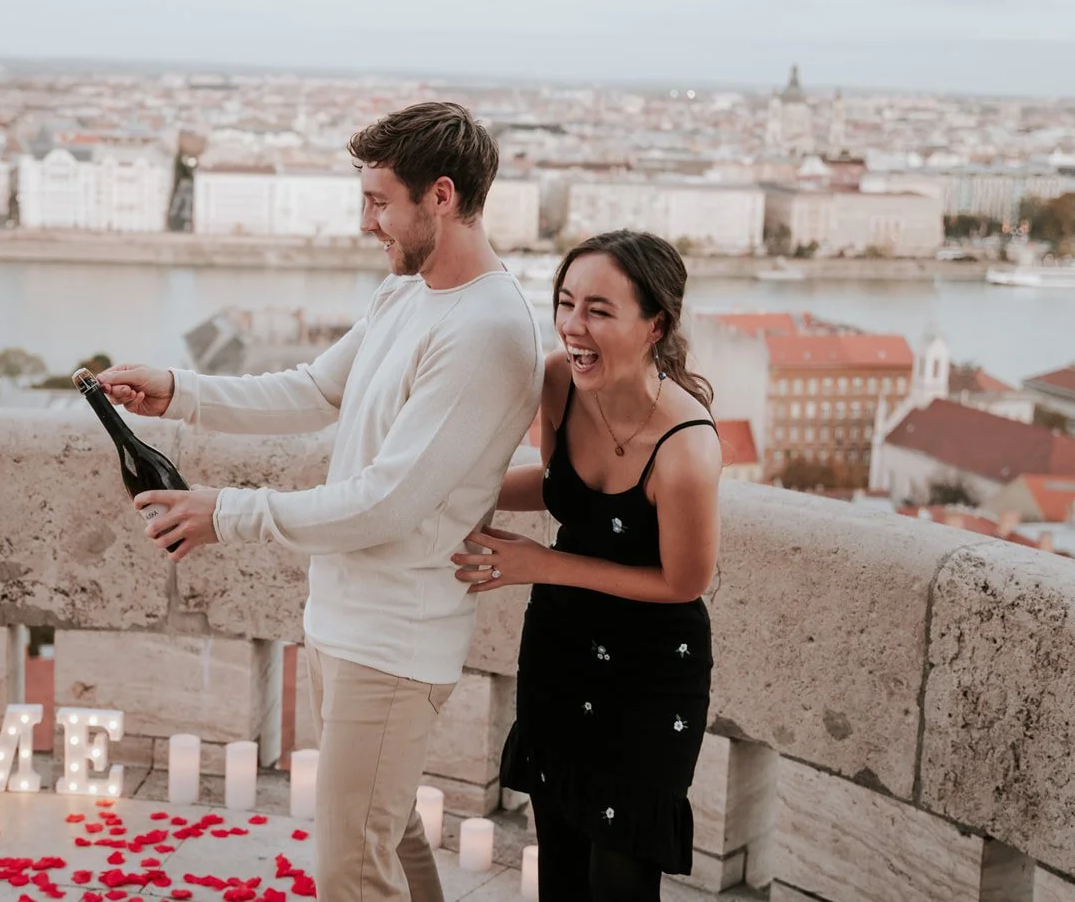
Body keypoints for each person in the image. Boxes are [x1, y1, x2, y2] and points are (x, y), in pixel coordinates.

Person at [96, 101, 545, 902]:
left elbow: (385, 503)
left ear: (441, 196)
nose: (366, 222)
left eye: (379, 201)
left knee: (350, 870)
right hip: (345, 620)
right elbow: (314, 388)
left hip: (395, 640)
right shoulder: (406, 293)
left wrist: (224, 512)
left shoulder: (486, 329)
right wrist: (179, 391)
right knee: (385, 834)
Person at [450, 230, 723, 902]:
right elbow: (556, 487)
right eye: (566, 302)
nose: (573, 325)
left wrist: (543, 563)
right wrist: (450, 492)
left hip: (650, 672)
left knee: (620, 882)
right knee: (562, 868)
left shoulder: (687, 447)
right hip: (561, 646)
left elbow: (684, 581)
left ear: (655, 324)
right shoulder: (558, 382)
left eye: (599, 310)